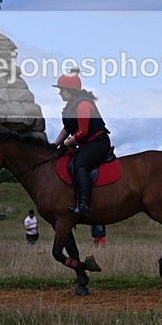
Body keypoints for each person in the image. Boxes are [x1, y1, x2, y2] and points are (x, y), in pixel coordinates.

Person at [51, 71, 111, 217]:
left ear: (71, 90)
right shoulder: (71, 105)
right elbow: (68, 128)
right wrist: (54, 144)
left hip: (98, 142)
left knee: (80, 165)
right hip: (86, 143)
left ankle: (84, 204)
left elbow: (82, 132)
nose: (60, 93)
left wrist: (65, 144)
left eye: (62, 90)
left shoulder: (83, 104)